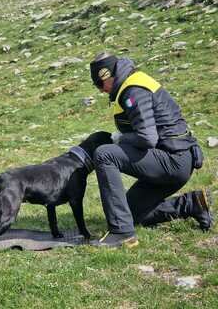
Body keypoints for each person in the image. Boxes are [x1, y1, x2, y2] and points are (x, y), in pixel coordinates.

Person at [88, 53, 212, 248]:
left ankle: (122, 234)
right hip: (173, 157)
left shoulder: (133, 90)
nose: (101, 91)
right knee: (130, 212)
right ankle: (191, 204)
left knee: (105, 154)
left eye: (99, 85)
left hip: (172, 161)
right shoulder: (134, 81)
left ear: (106, 76)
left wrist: (118, 139)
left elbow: (147, 138)